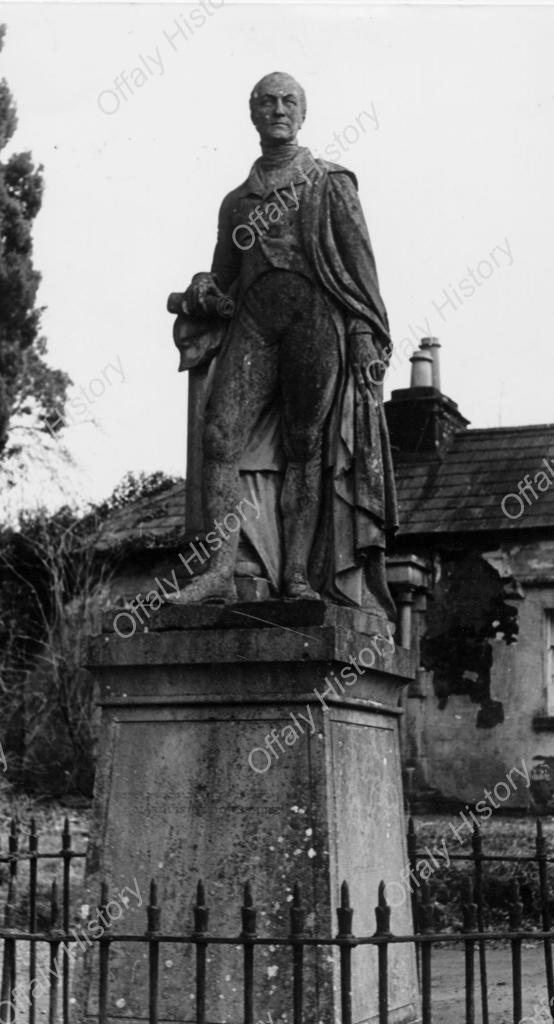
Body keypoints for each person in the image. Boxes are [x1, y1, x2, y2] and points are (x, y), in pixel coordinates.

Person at [173, 71, 397, 620]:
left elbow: (360, 269)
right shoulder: (236, 201)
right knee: (219, 435)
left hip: (314, 322)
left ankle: (297, 573)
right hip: (254, 322)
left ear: (303, 113)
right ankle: (220, 571)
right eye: (267, 102)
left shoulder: (329, 183)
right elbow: (226, 274)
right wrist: (205, 286)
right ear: (253, 114)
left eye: (288, 101)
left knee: (306, 445)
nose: (278, 109)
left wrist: (365, 331)